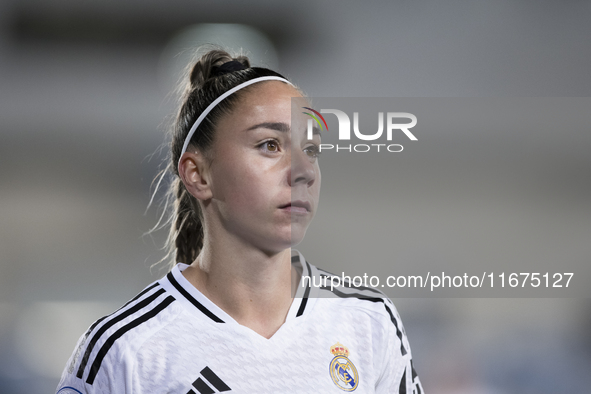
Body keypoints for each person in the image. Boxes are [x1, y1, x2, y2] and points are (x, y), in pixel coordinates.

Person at [56, 48, 424, 394]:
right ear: (198, 174)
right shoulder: (127, 349)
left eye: (311, 149)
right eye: (270, 145)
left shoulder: (367, 321)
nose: (303, 172)